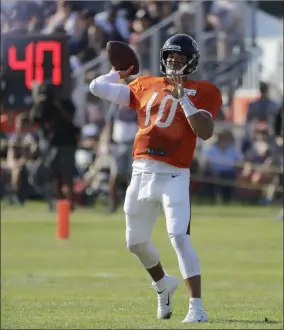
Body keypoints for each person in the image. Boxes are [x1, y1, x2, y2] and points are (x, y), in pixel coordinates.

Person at [89, 34, 222, 323]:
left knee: (179, 238)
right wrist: (117, 73)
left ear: (192, 63)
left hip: (174, 173)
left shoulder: (205, 90)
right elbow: (96, 87)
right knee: (135, 242)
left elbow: (205, 131)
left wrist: (182, 97)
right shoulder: (145, 84)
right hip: (141, 172)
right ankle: (163, 284)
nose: (174, 65)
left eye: (180, 60)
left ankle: (197, 307)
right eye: (171, 59)